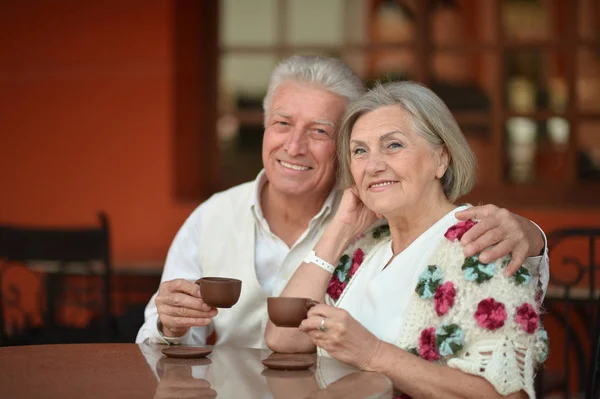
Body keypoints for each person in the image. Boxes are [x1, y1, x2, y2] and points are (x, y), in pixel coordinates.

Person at [136, 55, 549, 350]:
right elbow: (161, 336)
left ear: (340, 147)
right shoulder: (212, 217)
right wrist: (169, 324)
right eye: (282, 124)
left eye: (319, 131)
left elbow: (460, 238)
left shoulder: (376, 220)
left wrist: (533, 235)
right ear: (264, 129)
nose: (294, 146)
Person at [265, 81, 548, 398]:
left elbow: (506, 395)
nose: (373, 165)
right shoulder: (364, 248)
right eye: (360, 151)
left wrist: (373, 354)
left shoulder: (481, 244)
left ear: (441, 159)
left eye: (393, 146)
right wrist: (339, 231)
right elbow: (284, 337)